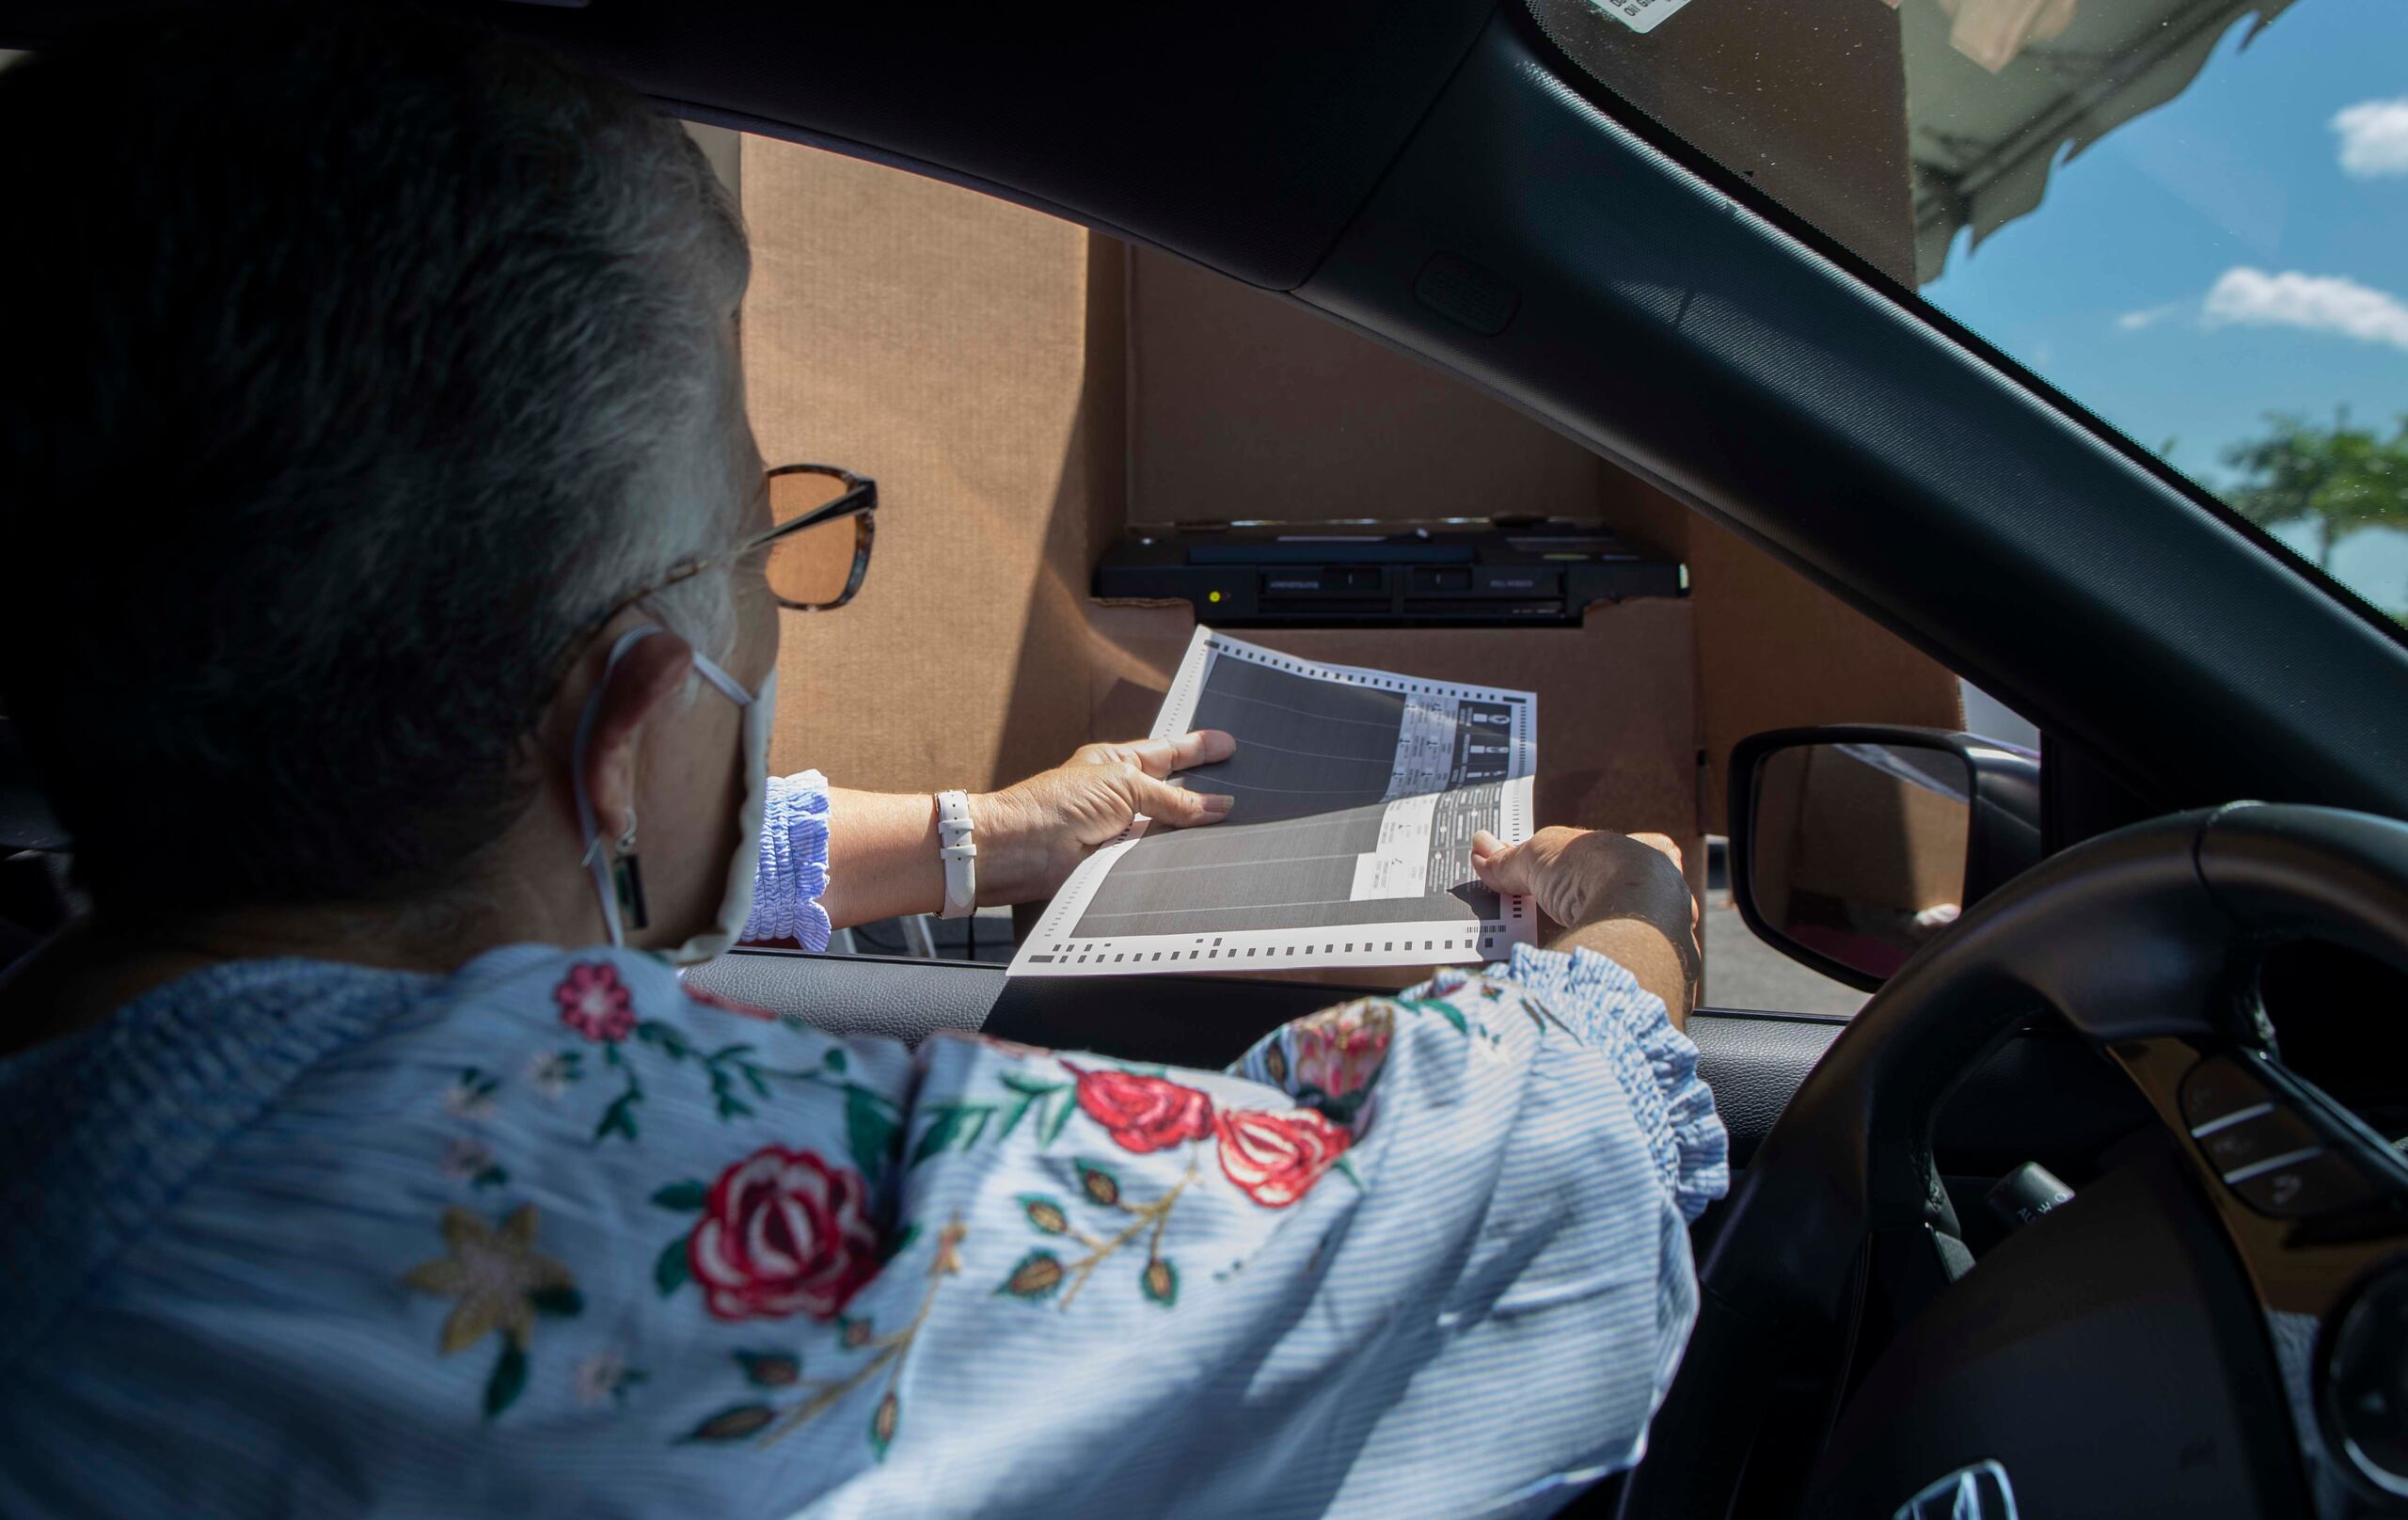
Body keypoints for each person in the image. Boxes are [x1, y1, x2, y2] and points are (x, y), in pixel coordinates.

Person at [0, 11, 1725, 1518]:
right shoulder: (661, 1199)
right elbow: (1509, 1201)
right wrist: (1633, 911)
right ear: (627, 726)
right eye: (766, 550)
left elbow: (643, 847)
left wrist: (988, 834)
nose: (770, 631)